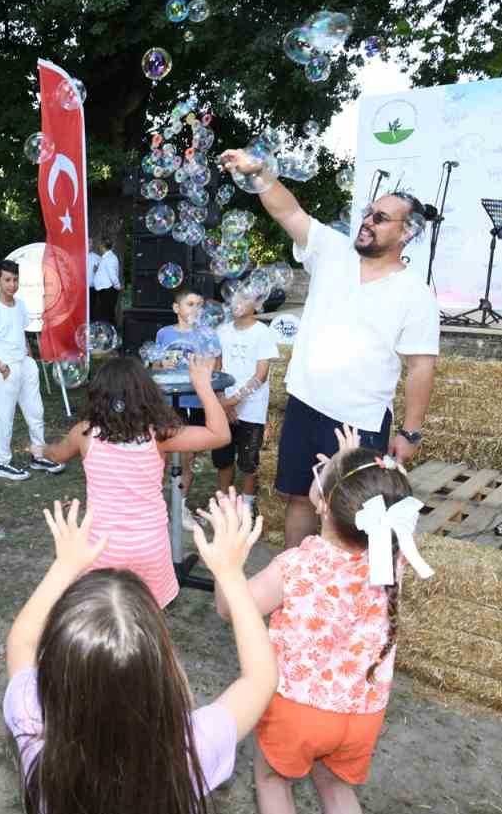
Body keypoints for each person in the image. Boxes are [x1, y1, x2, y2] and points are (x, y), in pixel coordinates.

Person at [3, 495, 276, 814]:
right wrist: (230, 574)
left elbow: (19, 643)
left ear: (54, 674)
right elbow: (260, 679)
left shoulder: (36, 732)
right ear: (163, 670)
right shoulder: (189, 751)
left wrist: (65, 566)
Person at [236, 431, 428, 814]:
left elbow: (231, 607)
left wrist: (227, 564)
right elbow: (392, 493)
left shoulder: (297, 563)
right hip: (361, 713)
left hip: (297, 711)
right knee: (338, 790)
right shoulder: (394, 553)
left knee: (272, 783)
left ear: (320, 505)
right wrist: (350, 462)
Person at [219, 148, 440, 549]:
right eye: (368, 213)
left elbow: (421, 367)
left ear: (405, 233)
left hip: (360, 421)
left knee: (351, 515)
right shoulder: (333, 251)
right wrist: (260, 174)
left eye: (380, 218)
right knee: (299, 499)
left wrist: (410, 431)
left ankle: (337, 599)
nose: (367, 222)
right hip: (305, 403)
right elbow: (289, 213)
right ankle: (294, 582)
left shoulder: (417, 294)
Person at [38, 355, 229, 607]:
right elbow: (220, 435)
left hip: (101, 547)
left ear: (98, 394)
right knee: (147, 617)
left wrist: (41, 450)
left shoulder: (84, 434)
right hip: (149, 546)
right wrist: (202, 385)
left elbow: (58, 453)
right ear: (146, 393)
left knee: (105, 615)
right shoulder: (159, 435)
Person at [0, 259, 62, 481]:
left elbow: (21, 334)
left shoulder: (20, 305)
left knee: (36, 411)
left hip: (24, 365)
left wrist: (30, 360)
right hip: (6, 368)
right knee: (6, 416)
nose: (12, 285)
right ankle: (2, 463)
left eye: (15, 280)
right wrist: (1, 367)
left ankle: (38, 454)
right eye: (7, 280)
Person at [213, 289, 281, 511]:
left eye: (244, 298)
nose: (237, 302)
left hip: (251, 409)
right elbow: (216, 367)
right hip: (223, 406)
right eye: (234, 297)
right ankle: (224, 504)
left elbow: (260, 375)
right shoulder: (222, 332)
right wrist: (222, 400)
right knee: (223, 459)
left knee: (248, 461)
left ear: (258, 306)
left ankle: (247, 506)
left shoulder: (263, 333)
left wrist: (232, 402)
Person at [153, 286, 210, 495]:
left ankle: (181, 507)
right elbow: (155, 367)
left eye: (200, 305)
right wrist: (161, 366)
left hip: (195, 401)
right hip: (169, 402)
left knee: (188, 458)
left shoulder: (207, 334)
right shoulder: (164, 333)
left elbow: (215, 368)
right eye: (191, 304)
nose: (196, 309)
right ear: (176, 307)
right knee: (163, 455)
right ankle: (155, 503)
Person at [90, 238, 122, 325]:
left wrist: (117, 286)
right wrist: (98, 271)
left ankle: (111, 335)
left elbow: (112, 275)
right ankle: (110, 334)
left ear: (103, 246)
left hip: (108, 290)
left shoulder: (110, 258)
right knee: (106, 315)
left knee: (107, 315)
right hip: (104, 290)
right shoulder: (105, 258)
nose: (98, 247)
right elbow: (106, 272)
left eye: (100, 244)